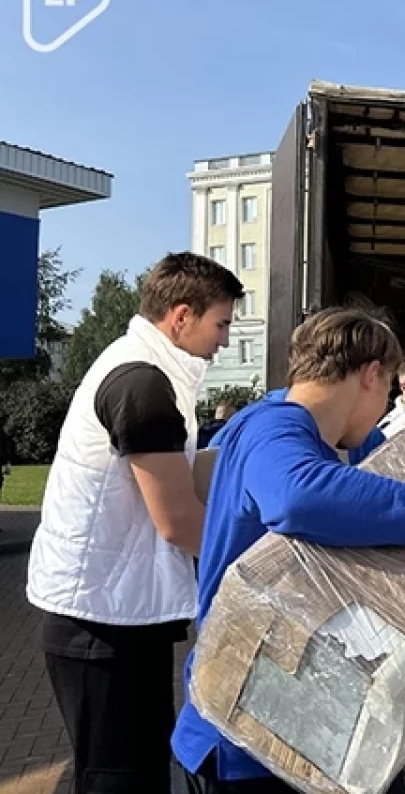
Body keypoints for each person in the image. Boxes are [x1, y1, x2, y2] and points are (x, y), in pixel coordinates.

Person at [170, 307, 405, 793]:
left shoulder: (301, 430)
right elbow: (298, 496)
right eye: (391, 389)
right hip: (247, 737)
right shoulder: (275, 428)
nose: (387, 407)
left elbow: (389, 482)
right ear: (373, 375)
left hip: (298, 721)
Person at [26, 252, 244, 793]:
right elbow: (176, 520)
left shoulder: (148, 372)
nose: (224, 341)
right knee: (116, 778)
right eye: (221, 324)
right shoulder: (142, 384)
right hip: (99, 621)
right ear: (181, 315)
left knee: (135, 768)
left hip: (116, 610)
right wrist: (252, 573)